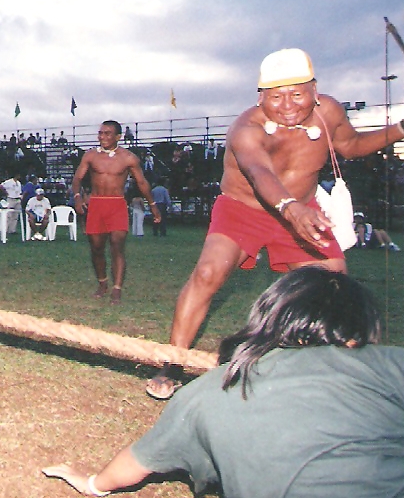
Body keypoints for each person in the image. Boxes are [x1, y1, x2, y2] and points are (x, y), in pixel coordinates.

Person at [43, 269, 404, 498]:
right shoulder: (385, 363)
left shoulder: (208, 391)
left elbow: (134, 465)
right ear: (357, 334)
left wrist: (92, 483)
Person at [146, 48, 404, 399]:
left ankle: (332, 374)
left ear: (314, 89)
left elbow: (352, 145)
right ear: (260, 97)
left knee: (334, 287)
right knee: (207, 274)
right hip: (244, 210)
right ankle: (172, 364)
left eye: (297, 94)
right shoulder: (246, 128)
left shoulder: (328, 112)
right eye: (275, 97)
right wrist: (290, 207)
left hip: (302, 209)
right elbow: (259, 171)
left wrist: (399, 129)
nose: (287, 106)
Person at [71, 120, 160, 305]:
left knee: (117, 245)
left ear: (118, 137)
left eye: (108, 133)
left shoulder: (128, 158)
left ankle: (117, 288)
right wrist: (78, 197)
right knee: (96, 247)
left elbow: (142, 183)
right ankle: (102, 282)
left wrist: (152, 204)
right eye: (101, 133)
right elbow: (77, 178)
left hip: (117, 204)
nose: (103, 137)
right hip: (96, 204)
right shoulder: (90, 156)